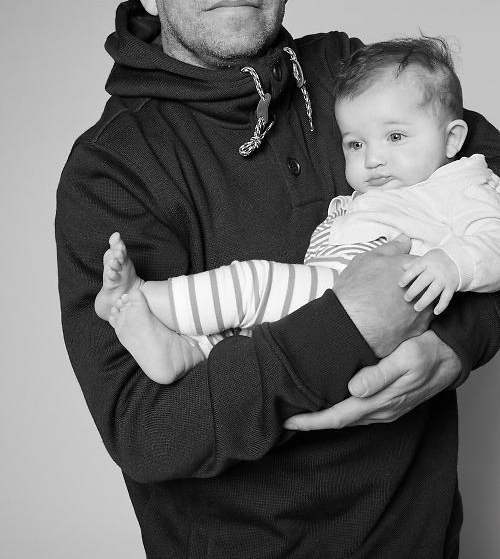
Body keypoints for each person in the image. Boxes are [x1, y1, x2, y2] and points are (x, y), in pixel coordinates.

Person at [56, 0, 500, 559]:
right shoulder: (112, 167)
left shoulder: (351, 76)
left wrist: (457, 341)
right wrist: (347, 326)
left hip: (417, 539)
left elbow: (488, 186)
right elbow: (146, 431)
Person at [93, 36, 500, 385]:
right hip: (337, 303)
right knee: (256, 335)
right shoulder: (108, 157)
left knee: (252, 284)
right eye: (355, 144)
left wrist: (451, 264)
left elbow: (495, 239)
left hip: (368, 294)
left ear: (453, 140)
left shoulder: (461, 184)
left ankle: (140, 297)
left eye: (395, 136)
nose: (372, 159)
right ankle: (188, 353)